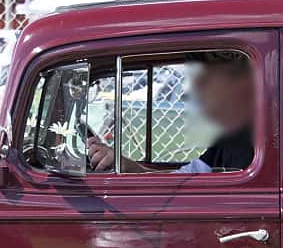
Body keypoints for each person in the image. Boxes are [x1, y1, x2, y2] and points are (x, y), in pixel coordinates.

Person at [87, 50, 254, 173]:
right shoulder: (231, 141)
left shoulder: (256, 143)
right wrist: (123, 165)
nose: (195, 89)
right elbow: (181, 180)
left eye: (206, 79)